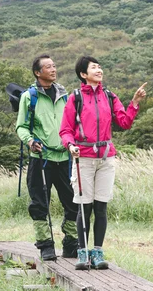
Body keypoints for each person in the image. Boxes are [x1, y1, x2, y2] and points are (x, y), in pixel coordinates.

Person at [60, 55, 147, 270]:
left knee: (101, 206)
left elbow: (124, 123)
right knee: (83, 207)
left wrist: (134, 103)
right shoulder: (76, 97)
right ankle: (82, 253)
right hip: (83, 158)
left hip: (106, 157)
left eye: (100, 67)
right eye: (94, 67)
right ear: (83, 74)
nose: (99, 70)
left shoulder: (109, 96)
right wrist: (70, 145)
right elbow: (65, 130)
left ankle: (97, 253)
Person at [15, 54, 79, 261]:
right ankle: (45, 245)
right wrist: (30, 141)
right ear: (37, 72)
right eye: (48, 67)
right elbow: (21, 127)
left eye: (54, 66)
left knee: (72, 202)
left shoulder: (65, 95)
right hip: (40, 157)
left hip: (64, 158)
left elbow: (71, 124)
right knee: (40, 202)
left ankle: (71, 243)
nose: (53, 69)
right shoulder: (29, 96)